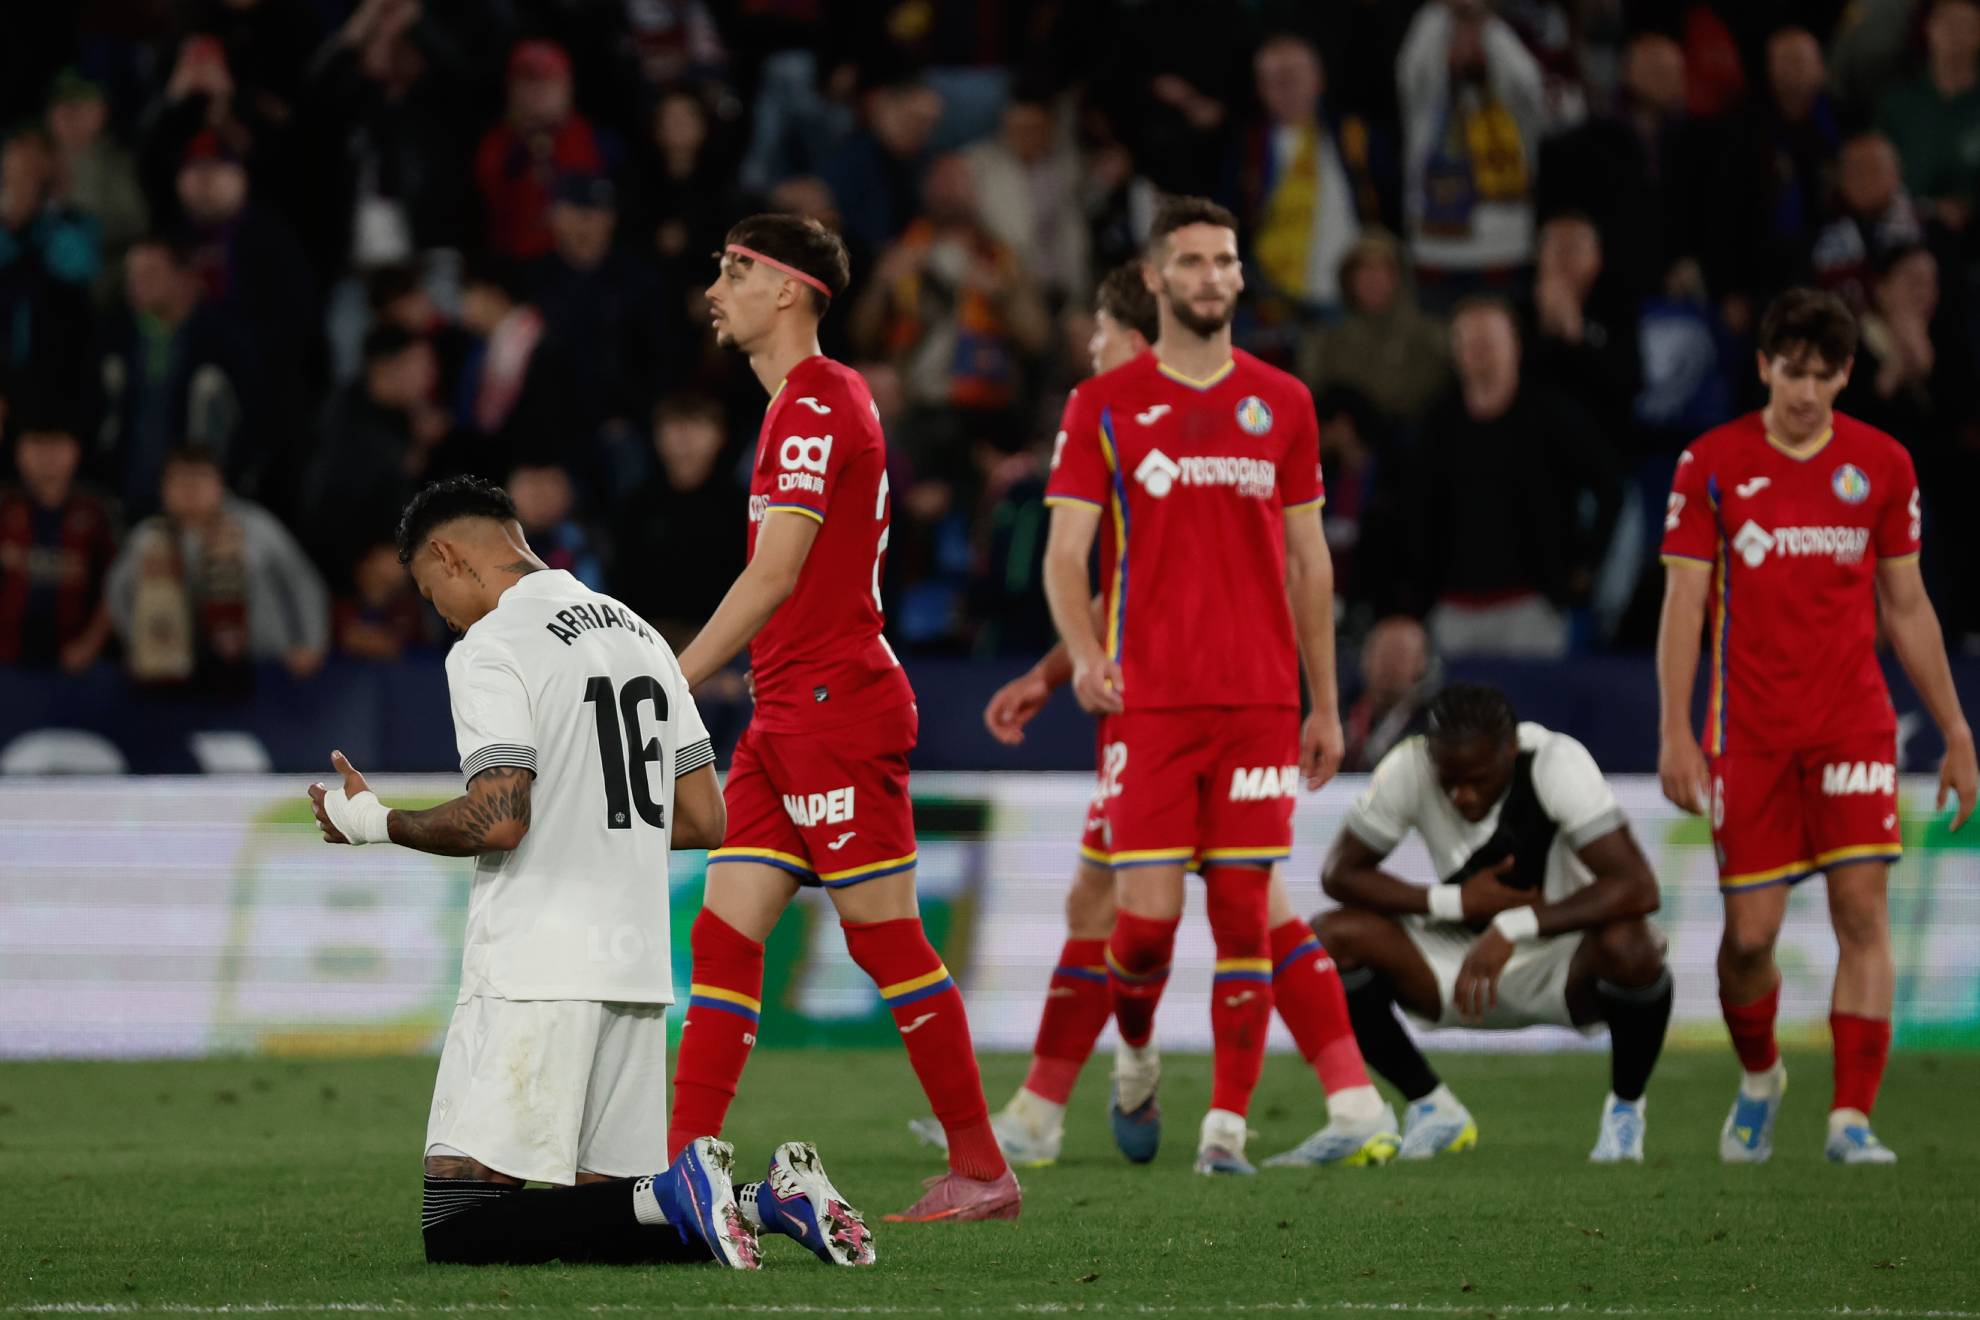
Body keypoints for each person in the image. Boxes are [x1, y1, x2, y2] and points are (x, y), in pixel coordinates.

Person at [306, 476, 872, 1270]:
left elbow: (500, 816)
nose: (445, 616)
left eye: (434, 595)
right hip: (634, 966)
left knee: (458, 1223)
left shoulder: (494, 644)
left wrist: (372, 822)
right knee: (613, 1220)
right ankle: (767, 1202)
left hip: (537, 962)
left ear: (449, 556)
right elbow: (706, 819)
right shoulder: (640, 634)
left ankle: (687, 1192)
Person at [911, 261, 1395, 1170]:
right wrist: (1054, 671)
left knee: (1209, 908)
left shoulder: (1182, 416)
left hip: (1201, 706)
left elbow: (1260, 569)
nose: (1091, 347)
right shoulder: (1126, 422)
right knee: (1160, 905)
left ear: (1136, 338)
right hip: (1158, 706)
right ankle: (1344, 1095)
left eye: (1100, 331)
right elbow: (1131, 590)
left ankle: (1073, 1105)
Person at [668, 213, 1020, 1223]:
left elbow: (775, 571)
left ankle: (982, 1169)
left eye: (736, 271)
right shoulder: (797, 404)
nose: (716, 289)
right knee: (724, 937)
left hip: (836, 709)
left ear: (788, 289)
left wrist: (673, 676)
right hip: (785, 713)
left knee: (886, 939)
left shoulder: (818, 401)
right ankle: (682, 1168)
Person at [1041, 197, 1347, 1175]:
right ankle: (1135, 1054)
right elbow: (1065, 556)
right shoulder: (1104, 404)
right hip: (1152, 706)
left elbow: (1310, 562)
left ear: (1241, 277)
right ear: (1158, 279)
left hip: (1260, 704)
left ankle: (1226, 1131)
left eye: (1225, 261)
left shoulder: (1284, 402)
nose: (1211, 277)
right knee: (1143, 931)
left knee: (1244, 914)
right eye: (1192, 262)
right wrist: (1083, 654)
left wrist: (1325, 701)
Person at [1657, 288, 1979, 1165]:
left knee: (1861, 913)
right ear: (1764, 367)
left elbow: (1907, 607)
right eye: (1791, 372)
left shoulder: (1882, 465)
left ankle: (1851, 1120)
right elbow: (1684, 604)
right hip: (1749, 734)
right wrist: (1676, 731)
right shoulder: (1710, 464)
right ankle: (1762, 1076)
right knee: (1749, 940)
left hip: (1852, 726)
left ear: (1846, 375)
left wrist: (1955, 729)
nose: (1804, 391)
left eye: (1822, 374)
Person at [1315, 683, 1672, 1162]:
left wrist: (1514, 925)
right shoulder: (1410, 765)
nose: (1462, 795)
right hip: (1453, 961)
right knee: (1327, 939)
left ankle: (1625, 1113)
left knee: (1635, 946)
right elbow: (1339, 874)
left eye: (1478, 780)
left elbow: (1638, 886)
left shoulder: (1555, 762)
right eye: (1449, 781)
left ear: (1510, 750)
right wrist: (1455, 902)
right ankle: (1432, 1107)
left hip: (1562, 959)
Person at [105, 443, 328, 685]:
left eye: (200, 479)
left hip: (265, 663)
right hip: (177, 670)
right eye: (179, 480)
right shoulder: (148, 537)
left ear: (219, 484)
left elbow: (302, 582)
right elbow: (116, 592)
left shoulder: (256, 526)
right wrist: (136, 645)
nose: (190, 490)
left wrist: (310, 642)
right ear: (163, 489)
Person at [0, 415, 119, 671]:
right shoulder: (5, 507)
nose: (47, 456)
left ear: (75, 450)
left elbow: (116, 586)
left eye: (56, 444)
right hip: (6, 662)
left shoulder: (96, 512)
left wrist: (90, 645)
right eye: (37, 444)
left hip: (77, 666)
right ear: (18, 451)